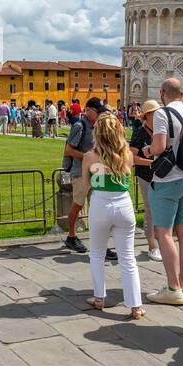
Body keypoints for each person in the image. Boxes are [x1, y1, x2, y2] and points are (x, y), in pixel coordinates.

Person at [77, 112, 145, 319]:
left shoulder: (90, 156)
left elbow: (86, 183)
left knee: (97, 254)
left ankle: (99, 297)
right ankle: (135, 306)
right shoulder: (127, 154)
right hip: (123, 203)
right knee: (127, 257)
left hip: (101, 203)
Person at [143, 78, 183, 306]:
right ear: (182, 94)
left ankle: (172, 287)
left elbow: (159, 146)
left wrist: (147, 150)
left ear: (162, 93)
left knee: (163, 233)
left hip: (166, 179)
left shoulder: (161, 114)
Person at [62, 98, 104, 257]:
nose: (100, 114)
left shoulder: (98, 126)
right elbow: (69, 150)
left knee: (100, 205)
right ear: (88, 110)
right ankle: (71, 236)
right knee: (78, 204)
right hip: (81, 171)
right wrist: (88, 157)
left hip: (98, 170)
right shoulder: (79, 126)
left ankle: (99, 242)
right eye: (97, 111)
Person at [128, 98, 162, 262]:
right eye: (156, 113)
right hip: (146, 175)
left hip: (161, 175)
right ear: (148, 115)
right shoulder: (140, 132)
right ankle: (152, 246)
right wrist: (152, 162)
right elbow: (132, 157)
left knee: (160, 210)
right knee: (150, 210)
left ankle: (159, 241)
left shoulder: (161, 130)